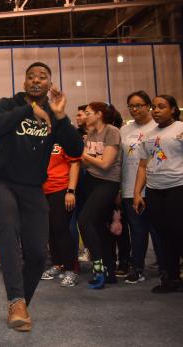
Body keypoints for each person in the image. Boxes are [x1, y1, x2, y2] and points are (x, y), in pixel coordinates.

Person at [0, 62, 83, 332]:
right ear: (25, 82)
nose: (36, 80)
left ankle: (20, 305)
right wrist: (29, 109)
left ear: (50, 84)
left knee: (39, 254)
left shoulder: (55, 114)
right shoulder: (8, 104)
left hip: (32, 187)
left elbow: (76, 148)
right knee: (7, 227)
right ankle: (16, 299)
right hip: (1, 181)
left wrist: (61, 117)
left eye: (43, 77)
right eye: (31, 77)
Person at [134, 95, 183, 294]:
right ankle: (171, 278)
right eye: (153, 107)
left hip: (178, 186)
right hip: (154, 190)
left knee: (179, 233)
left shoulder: (180, 128)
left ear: (172, 109)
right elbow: (143, 165)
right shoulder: (148, 134)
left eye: (161, 107)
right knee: (164, 235)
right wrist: (137, 193)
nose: (155, 110)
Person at [78, 102, 122, 289]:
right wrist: (84, 157)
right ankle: (109, 270)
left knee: (84, 221)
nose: (84, 116)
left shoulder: (112, 131)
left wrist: (82, 153)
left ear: (99, 114)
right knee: (98, 226)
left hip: (108, 183)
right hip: (91, 181)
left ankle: (98, 266)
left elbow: (105, 164)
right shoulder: (91, 134)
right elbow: (88, 164)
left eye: (88, 113)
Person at [120, 91, 160, 284]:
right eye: (131, 106)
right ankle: (137, 268)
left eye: (139, 105)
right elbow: (119, 161)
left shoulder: (158, 127)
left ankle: (167, 268)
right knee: (137, 230)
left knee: (159, 230)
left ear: (148, 106)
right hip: (129, 186)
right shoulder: (124, 130)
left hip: (155, 186)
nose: (135, 109)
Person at [40, 143, 81, 287]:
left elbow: (75, 163)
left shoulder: (63, 138)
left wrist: (71, 191)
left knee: (61, 228)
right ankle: (57, 264)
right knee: (50, 228)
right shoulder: (39, 136)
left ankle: (71, 269)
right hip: (42, 190)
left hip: (61, 188)